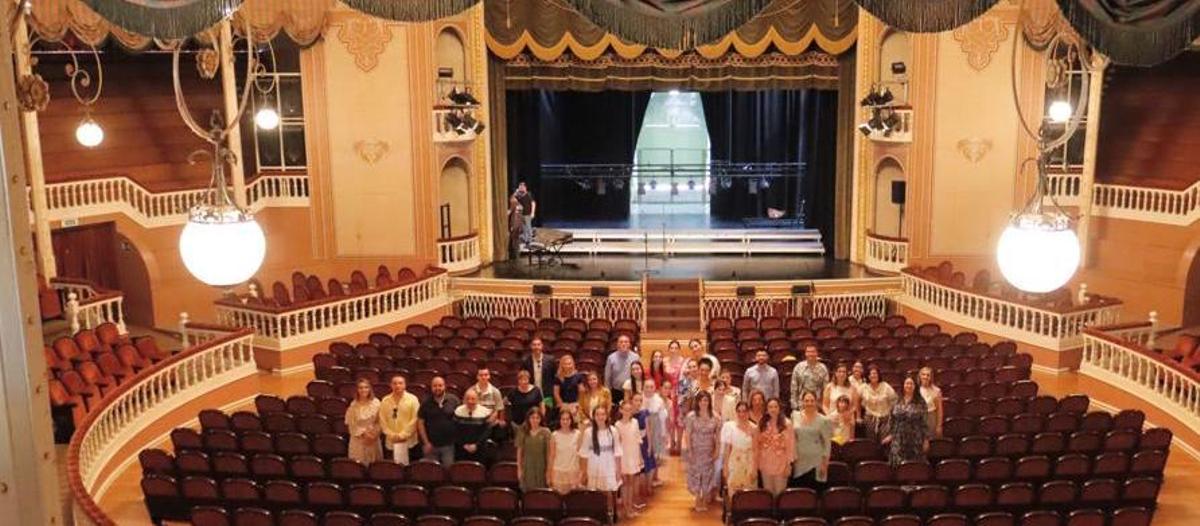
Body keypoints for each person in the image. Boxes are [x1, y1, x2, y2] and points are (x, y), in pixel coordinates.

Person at [579, 406, 622, 513]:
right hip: (593, 467)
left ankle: (609, 515)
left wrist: (618, 470)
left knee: (608, 493)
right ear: (593, 417)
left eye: (602, 414)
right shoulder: (588, 432)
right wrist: (584, 472)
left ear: (607, 416)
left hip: (609, 466)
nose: (600, 417)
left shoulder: (613, 431)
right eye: (597, 414)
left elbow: (617, 452)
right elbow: (584, 454)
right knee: (595, 494)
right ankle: (597, 516)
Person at [683, 391, 721, 512]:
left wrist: (717, 450)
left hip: (708, 450)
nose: (703, 403)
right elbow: (687, 435)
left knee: (707, 475)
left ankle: (704, 499)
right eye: (701, 400)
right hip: (695, 449)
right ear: (697, 402)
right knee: (695, 474)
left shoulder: (715, 416)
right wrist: (689, 450)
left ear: (709, 401)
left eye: (706, 400)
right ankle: (697, 499)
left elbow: (718, 436)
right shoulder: (691, 416)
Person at [885, 376, 930, 467]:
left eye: (911, 384)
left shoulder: (921, 402)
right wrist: (890, 434)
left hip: (915, 438)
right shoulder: (897, 400)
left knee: (913, 467)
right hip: (898, 437)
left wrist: (926, 440)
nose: (909, 386)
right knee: (898, 466)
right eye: (907, 383)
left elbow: (924, 422)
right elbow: (891, 418)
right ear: (903, 385)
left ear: (915, 386)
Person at [792, 390, 832, 488]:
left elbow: (827, 444)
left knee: (814, 493)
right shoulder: (795, 416)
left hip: (816, 462)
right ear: (802, 402)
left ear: (816, 402)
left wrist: (824, 464)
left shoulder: (824, 420)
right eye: (806, 401)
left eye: (812, 400)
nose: (809, 403)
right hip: (799, 461)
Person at [378, 374, 420, 464]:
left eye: (400, 383)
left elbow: (415, 419)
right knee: (393, 471)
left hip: (409, 442)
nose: (397, 385)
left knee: (409, 470)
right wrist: (391, 435)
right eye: (395, 383)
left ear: (405, 385)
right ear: (391, 385)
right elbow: (382, 420)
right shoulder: (385, 400)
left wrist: (402, 435)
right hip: (391, 442)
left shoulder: (413, 399)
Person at [418, 376, 460, 465]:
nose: (437, 388)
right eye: (435, 386)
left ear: (445, 386)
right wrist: (426, 442)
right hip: (431, 445)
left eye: (440, 385)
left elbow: (460, 419)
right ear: (431, 387)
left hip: (449, 445)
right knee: (432, 473)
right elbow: (420, 423)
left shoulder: (454, 400)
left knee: (448, 471)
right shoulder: (425, 403)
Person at [758, 398, 794, 496]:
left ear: (779, 408)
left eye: (775, 407)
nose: (773, 409)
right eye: (770, 407)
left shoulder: (787, 423)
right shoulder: (762, 422)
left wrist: (788, 465)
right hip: (765, 463)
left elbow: (791, 446)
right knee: (768, 494)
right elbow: (758, 443)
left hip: (781, 464)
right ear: (766, 409)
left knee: (780, 494)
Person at [721, 401, 759, 495]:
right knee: (734, 491)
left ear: (748, 412)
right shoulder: (730, 427)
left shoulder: (754, 428)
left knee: (749, 492)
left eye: (744, 411)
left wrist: (755, 468)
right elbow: (727, 450)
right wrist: (725, 467)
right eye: (739, 411)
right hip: (734, 462)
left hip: (749, 463)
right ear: (736, 412)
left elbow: (755, 450)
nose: (742, 414)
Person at [615, 400, 644, 517]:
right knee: (624, 482)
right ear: (621, 410)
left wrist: (640, 456)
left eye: (629, 410)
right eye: (625, 410)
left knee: (631, 482)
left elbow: (638, 439)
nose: (627, 412)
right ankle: (625, 507)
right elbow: (617, 444)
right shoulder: (617, 425)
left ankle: (630, 505)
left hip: (633, 454)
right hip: (623, 456)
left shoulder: (635, 422)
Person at [346, 378, 383, 464]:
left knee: (374, 465)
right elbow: (351, 424)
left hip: (373, 437)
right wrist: (364, 433)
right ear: (357, 390)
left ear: (370, 389)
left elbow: (380, 421)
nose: (363, 390)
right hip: (358, 439)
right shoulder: (353, 405)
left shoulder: (376, 402)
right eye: (361, 388)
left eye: (366, 387)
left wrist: (374, 434)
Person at [454, 390, 494, 464]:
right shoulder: (458, 411)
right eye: (468, 398)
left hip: (479, 449)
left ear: (477, 399)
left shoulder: (485, 412)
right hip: (462, 449)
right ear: (464, 400)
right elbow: (455, 430)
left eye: (473, 399)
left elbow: (487, 431)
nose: (470, 401)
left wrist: (476, 445)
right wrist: (463, 444)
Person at [859, 366, 897, 442]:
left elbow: (894, 401)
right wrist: (858, 416)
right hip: (870, 419)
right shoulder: (863, 387)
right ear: (868, 376)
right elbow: (856, 401)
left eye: (875, 373)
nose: (873, 375)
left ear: (878, 375)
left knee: (884, 443)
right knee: (871, 443)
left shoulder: (886, 386)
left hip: (885, 419)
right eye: (871, 374)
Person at [516, 407, 551, 490]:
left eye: (537, 418)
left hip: (541, 466)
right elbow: (519, 452)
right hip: (527, 466)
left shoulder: (546, 432)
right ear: (528, 418)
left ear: (541, 419)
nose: (535, 420)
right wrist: (519, 469)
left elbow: (549, 453)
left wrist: (548, 471)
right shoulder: (523, 431)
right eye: (532, 418)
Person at [548, 410, 582, 494]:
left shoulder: (577, 434)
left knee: (573, 500)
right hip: (558, 471)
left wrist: (581, 474)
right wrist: (549, 473)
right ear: (559, 420)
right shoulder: (554, 435)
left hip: (573, 471)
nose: (565, 421)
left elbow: (580, 455)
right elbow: (551, 456)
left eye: (567, 419)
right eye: (563, 419)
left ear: (571, 420)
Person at [642, 379, 668, 486]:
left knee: (656, 452)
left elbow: (662, 418)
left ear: (655, 388)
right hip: (643, 428)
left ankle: (655, 477)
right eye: (647, 387)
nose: (649, 389)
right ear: (643, 388)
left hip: (656, 428)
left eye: (651, 387)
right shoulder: (640, 398)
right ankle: (645, 477)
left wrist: (663, 433)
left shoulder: (659, 400)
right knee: (645, 452)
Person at [790, 345, 829, 411]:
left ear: (817, 353)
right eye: (808, 352)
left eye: (813, 352)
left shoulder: (823, 368)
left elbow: (826, 389)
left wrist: (823, 405)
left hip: (817, 404)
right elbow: (794, 387)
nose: (810, 354)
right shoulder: (798, 367)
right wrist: (794, 405)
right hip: (801, 404)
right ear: (805, 354)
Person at [604, 334, 639, 405]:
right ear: (617, 344)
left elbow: (639, 375)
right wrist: (608, 395)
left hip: (631, 391)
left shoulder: (636, 357)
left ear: (629, 344)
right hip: (616, 392)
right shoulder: (611, 358)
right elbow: (607, 377)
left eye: (626, 342)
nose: (623, 344)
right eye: (621, 342)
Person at [522, 337, 557, 402]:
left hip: (548, 395)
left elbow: (555, 377)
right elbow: (523, 377)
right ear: (531, 346)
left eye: (538, 344)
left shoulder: (550, 360)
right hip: (531, 394)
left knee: (548, 411)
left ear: (542, 346)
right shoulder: (525, 361)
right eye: (534, 345)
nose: (536, 347)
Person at [554, 354, 586, 420]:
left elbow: (581, 392)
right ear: (562, 365)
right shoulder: (558, 377)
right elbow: (556, 393)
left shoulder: (578, 376)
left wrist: (577, 405)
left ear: (572, 364)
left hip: (575, 404)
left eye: (569, 363)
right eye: (565, 364)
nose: (568, 366)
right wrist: (563, 405)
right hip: (563, 405)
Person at [919, 367, 944, 437]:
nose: (925, 377)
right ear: (920, 376)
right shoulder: (915, 389)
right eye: (923, 374)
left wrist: (939, 426)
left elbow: (939, 410)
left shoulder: (936, 391)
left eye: (928, 375)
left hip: (931, 418)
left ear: (931, 377)